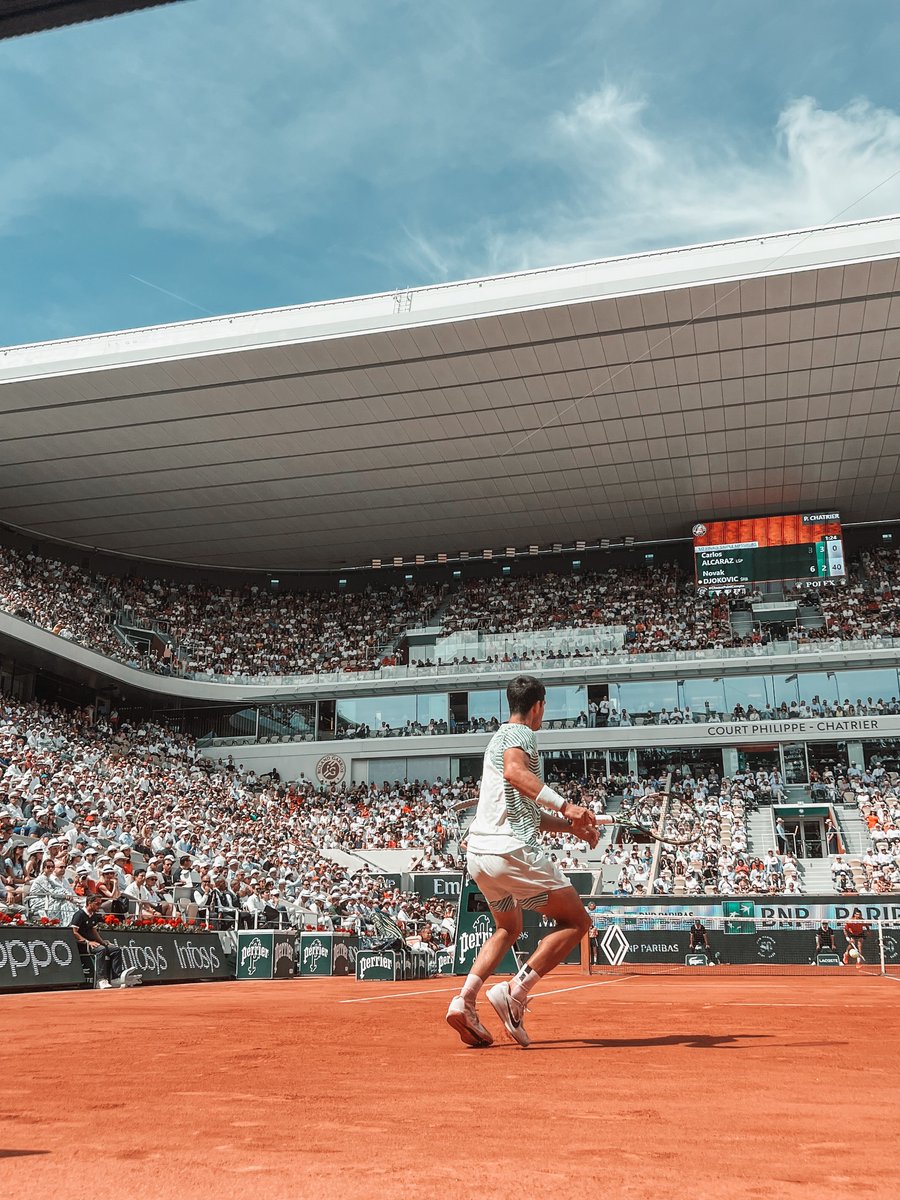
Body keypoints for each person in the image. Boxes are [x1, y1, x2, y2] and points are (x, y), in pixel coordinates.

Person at [445, 675, 604, 1049]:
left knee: (508, 927)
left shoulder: (497, 739)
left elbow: (526, 812)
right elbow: (515, 773)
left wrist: (571, 827)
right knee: (577, 922)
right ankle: (516, 991)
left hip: (480, 855)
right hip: (510, 852)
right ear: (538, 706)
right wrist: (566, 806)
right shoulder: (522, 735)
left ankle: (465, 1000)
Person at [71, 894, 142, 990]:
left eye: (100, 903)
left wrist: (102, 942)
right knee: (101, 950)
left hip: (94, 944)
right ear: (89, 903)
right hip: (83, 945)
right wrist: (88, 942)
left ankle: (116, 978)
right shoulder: (79, 915)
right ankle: (100, 980)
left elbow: (94, 931)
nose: (99, 906)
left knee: (115, 949)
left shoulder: (94, 915)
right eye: (97, 903)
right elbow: (74, 932)